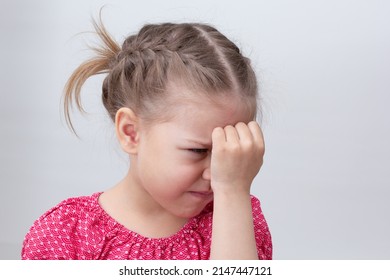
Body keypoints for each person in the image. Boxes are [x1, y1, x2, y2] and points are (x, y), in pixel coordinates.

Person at [21, 17, 272, 260]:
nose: (217, 172)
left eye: (229, 151)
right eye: (198, 150)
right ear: (131, 132)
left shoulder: (236, 218)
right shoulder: (65, 235)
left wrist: (232, 192)